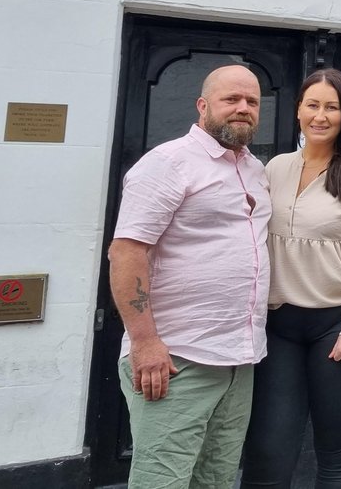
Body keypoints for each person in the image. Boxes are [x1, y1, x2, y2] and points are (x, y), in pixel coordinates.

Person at [108, 64, 272, 489]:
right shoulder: (168, 163)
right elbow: (127, 251)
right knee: (161, 481)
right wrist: (145, 342)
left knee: (215, 480)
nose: (242, 108)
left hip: (240, 358)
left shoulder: (255, 169)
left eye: (251, 102)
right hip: (177, 359)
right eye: (230, 99)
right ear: (203, 105)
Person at [241, 68, 341, 489]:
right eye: (313, 105)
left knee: (339, 451)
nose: (321, 115)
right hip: (280, 327)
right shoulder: (274, 168)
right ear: (298, 111)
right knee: (267, 447)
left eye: (332, 107)